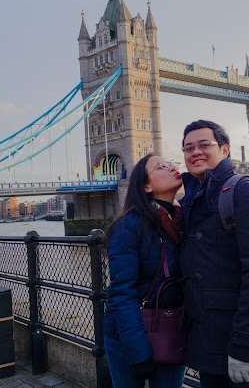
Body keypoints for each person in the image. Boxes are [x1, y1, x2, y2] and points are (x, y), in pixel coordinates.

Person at [179, 120, 249, 387]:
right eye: (188, 148)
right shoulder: (192, 198)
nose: (195, 152)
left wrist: (244, 347)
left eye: (204, 145)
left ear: (225, 150)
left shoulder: (245, 190)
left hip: (243, 350)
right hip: (209, 346)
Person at [103, 154, 186, 387]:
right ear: (146, 186)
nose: (171, 168)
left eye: (171, 164)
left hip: (171, 328)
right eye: (161, 166)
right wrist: (138, 352)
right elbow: (121, 292)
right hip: (128, 335)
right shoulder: (128, 226)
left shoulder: (185, 220)